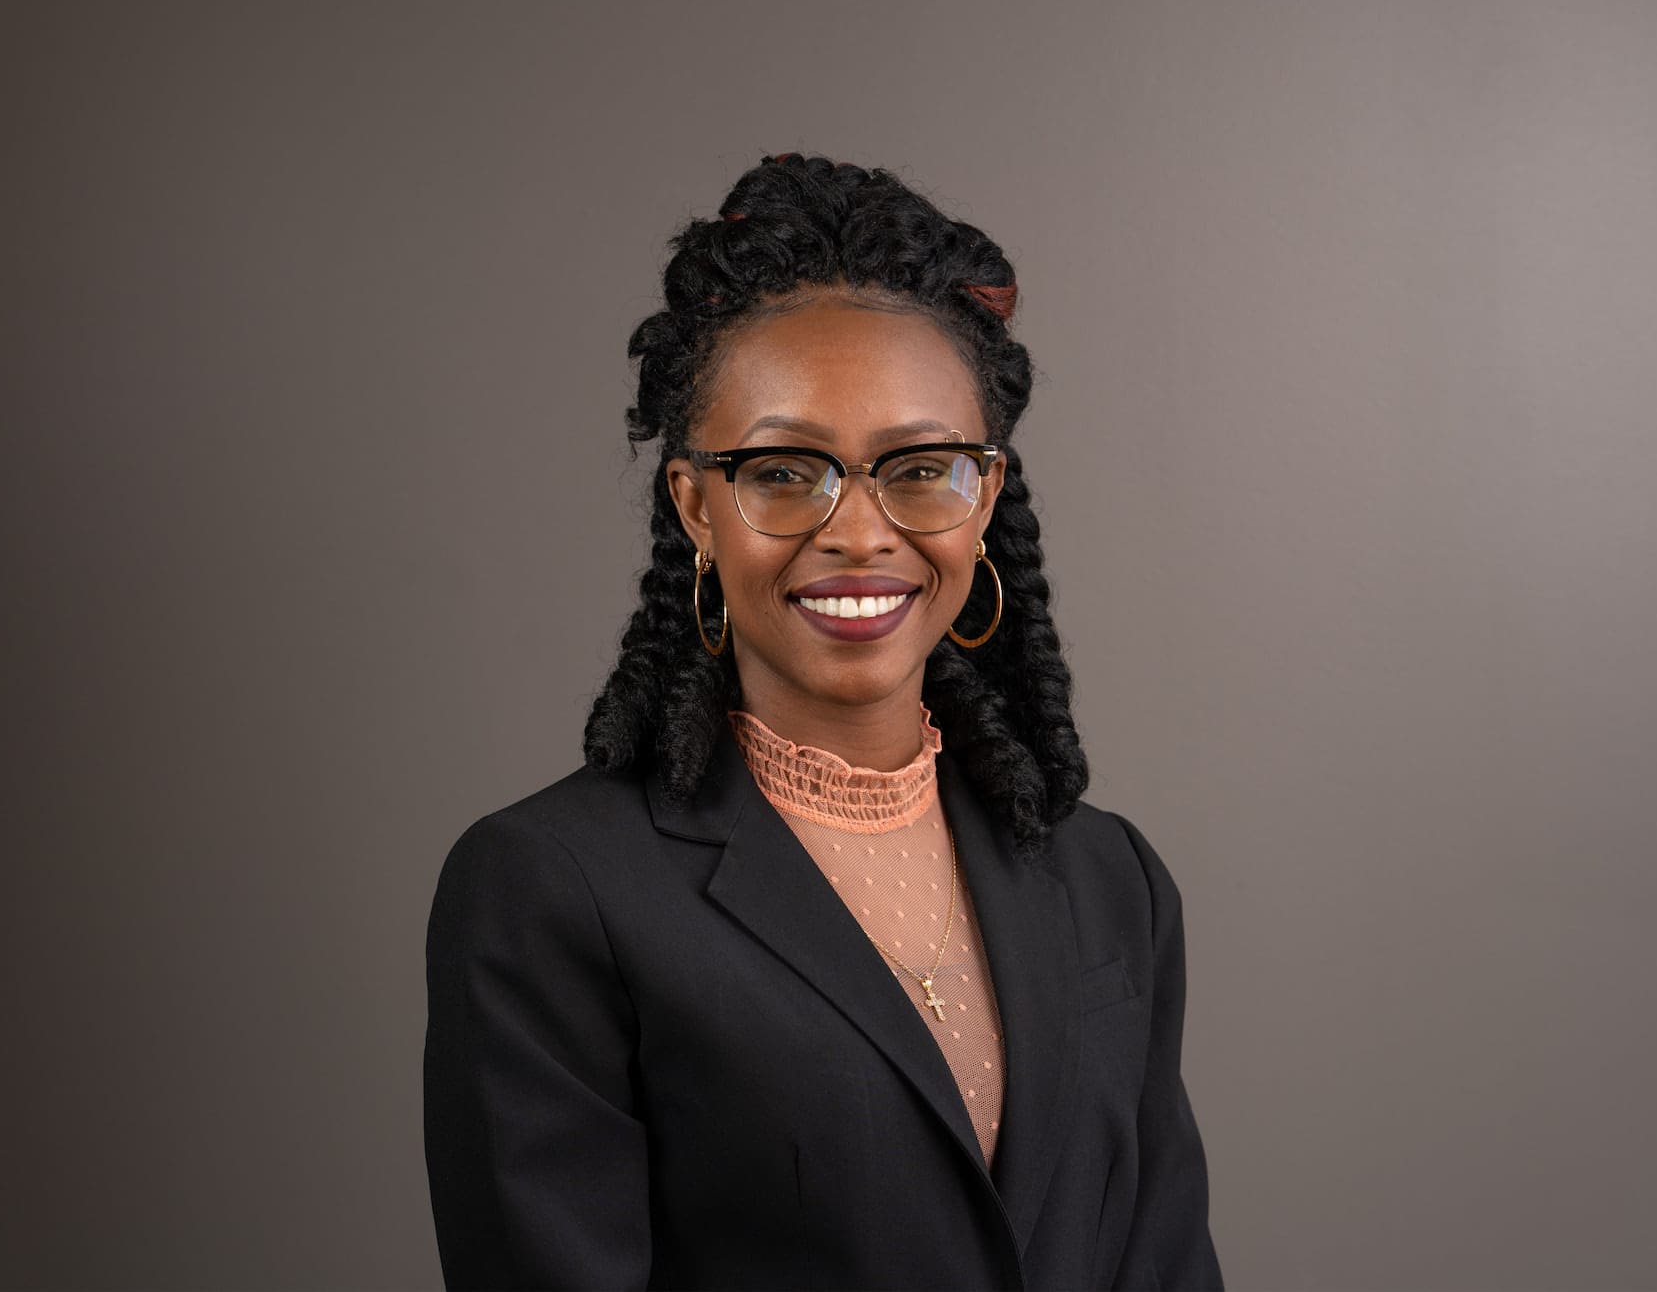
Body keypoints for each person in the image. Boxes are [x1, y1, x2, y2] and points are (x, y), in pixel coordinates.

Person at [423, 152, 1223, 1290]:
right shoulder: (554, 889)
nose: (857, 532)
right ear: (695, 504)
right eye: (785, 471)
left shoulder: (1109, 880)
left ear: (985, 495)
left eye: (921, 468)